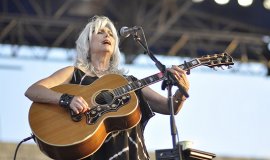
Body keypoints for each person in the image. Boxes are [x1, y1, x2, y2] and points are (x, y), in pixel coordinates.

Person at [25, 15, 190, 160]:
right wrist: (66, 99)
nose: (107, 35)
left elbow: (169, 107)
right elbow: (33, 90)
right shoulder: (73, 73)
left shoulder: (128, 81)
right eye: (100, 32)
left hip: (130, 154)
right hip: (90, 151)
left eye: (111, 34)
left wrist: (181, 92)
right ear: (87, 43)